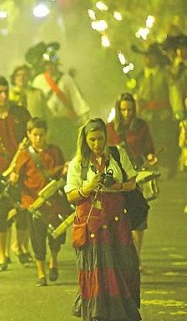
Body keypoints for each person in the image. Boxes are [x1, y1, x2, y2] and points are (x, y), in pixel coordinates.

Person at [64, 119, 141, 321]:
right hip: (92, 223)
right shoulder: (78, 164)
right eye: (92, 140)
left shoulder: (117, 154)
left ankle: (123, 313)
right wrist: (87, 188)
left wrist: (118, 186)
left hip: (116, 221)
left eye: (100, 139)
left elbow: (132, 182)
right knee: (96, 270)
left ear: (106, 138)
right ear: (85, 140)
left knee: (123, 265)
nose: (96, 144)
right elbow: (71, 196)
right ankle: (97, 314)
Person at [8, 117, 67, 286]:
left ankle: (53, 262)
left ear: (46, 134)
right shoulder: (24, 154)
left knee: (57, 236)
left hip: (54, 201)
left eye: (41, 134)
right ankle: (41, 273)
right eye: (35, 134)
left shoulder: (55, 151)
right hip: (32, 203)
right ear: (29, 134)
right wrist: (14, 177)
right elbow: (15, 176)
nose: (39, 138)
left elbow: (62, 172)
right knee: (37, 237)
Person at [0, 75, 32, 270]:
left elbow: (31, 135)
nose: (3, 96)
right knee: (1, 213)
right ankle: (2, 257)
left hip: (21, 168)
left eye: (6, 92)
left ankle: (21, 248)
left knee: (23, 210)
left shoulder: (20, 114)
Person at [106, 93, 158, 271]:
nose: (127, 113)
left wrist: (151, 157)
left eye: (130, 109)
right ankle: (118, 257)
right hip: (116, 179)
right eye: (123, 110)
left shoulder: (141, 126)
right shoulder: (110, 128)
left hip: (137, 176)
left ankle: (136, 257)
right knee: (116, 216)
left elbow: (149, 149)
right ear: (118, 110)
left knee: (138, 217)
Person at [31, 42, 91, 160]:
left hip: (65, 123)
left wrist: (84, 121)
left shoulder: (66, 80)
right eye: (47, 64)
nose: (50, 67)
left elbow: (77, 99)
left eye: (52, 64)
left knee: (67, 152)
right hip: (47, 124)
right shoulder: (38, 81)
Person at [133, 42, 181, 179]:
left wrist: (178, 112)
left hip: (164, 115)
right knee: (149, 143)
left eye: (150, 56)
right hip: (147, 116)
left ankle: (168, 166)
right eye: (146, 57)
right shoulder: (141, 76)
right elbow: (137, 95)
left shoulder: (165, 74)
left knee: (166, 141)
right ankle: (154, 167)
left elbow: (174, 93)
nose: (147, 59)